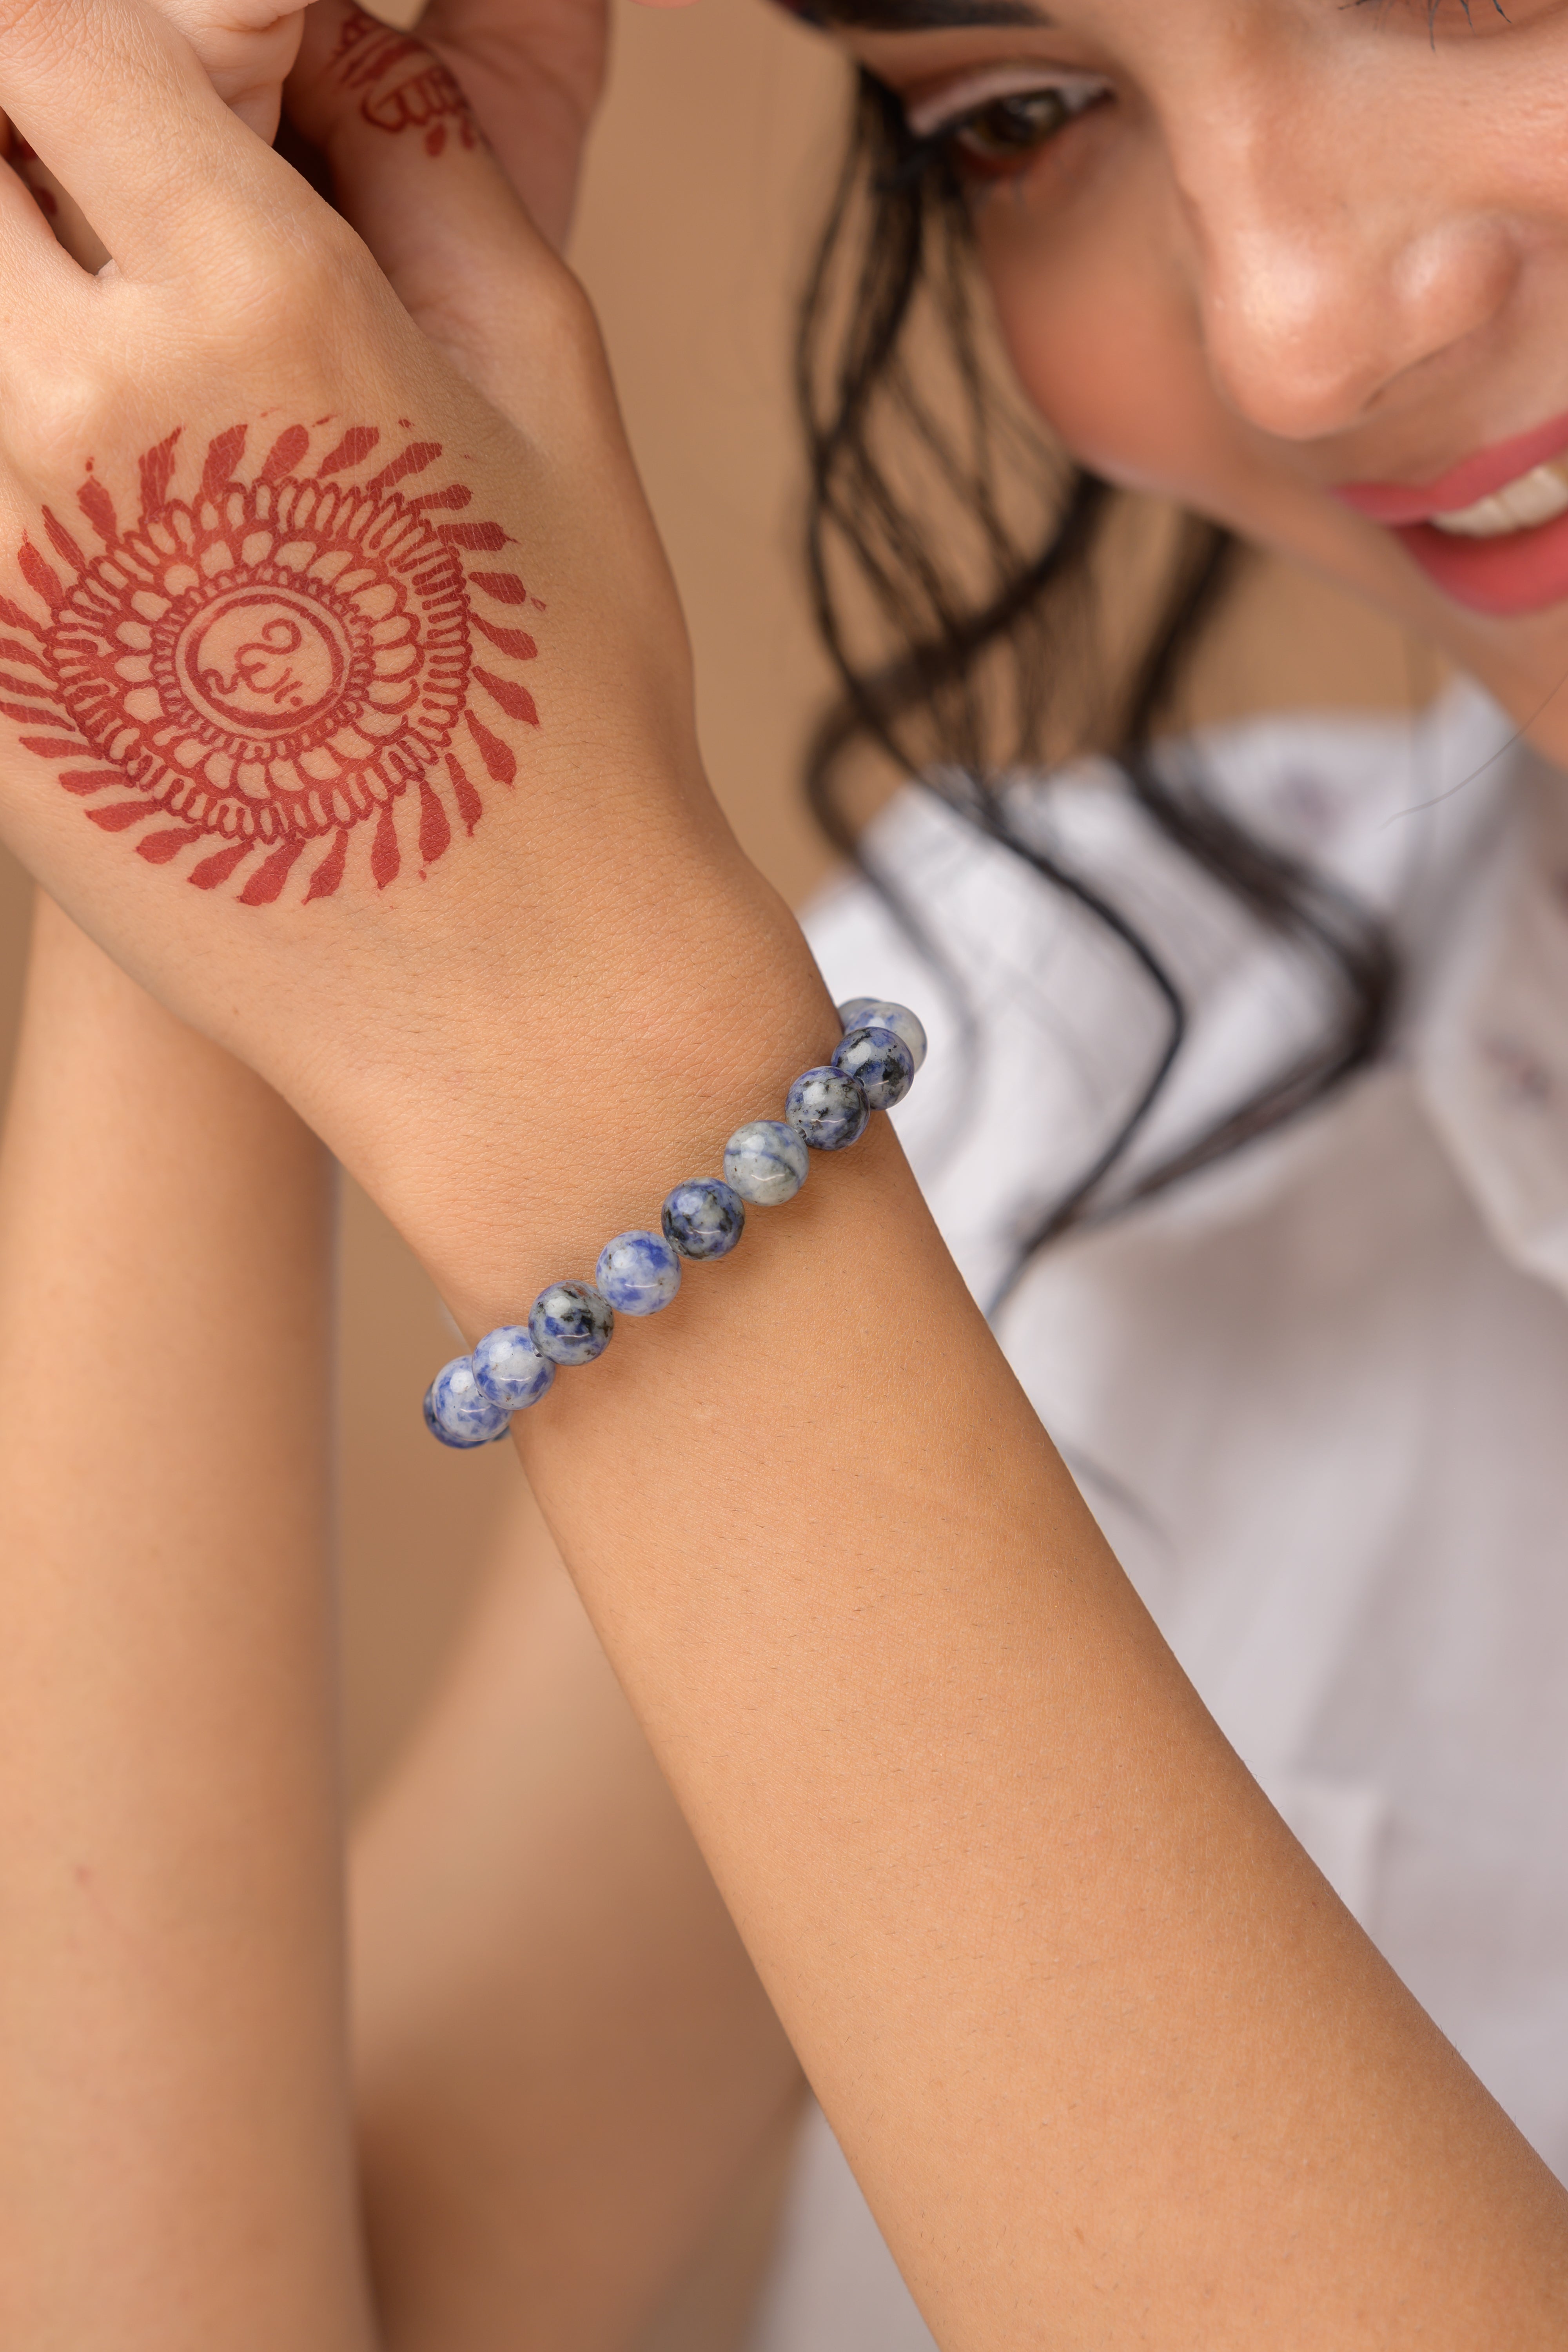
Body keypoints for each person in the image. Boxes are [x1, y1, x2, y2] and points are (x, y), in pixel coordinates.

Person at [1, 4, 1568, 2351]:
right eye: (1021, 113)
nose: (1304, 324)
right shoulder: (1086, 1078)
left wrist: (588, 1050)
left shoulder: (855, 1117)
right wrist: (254, 497)